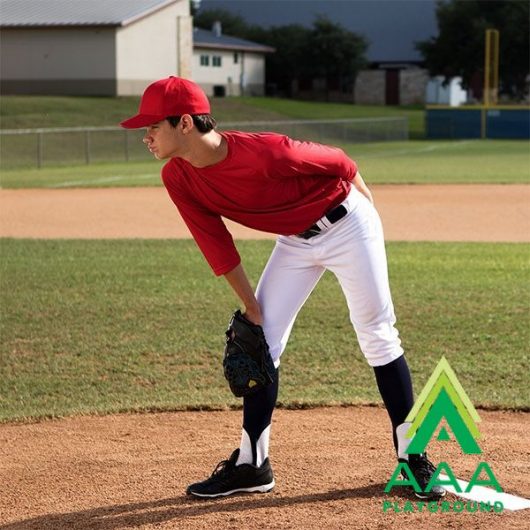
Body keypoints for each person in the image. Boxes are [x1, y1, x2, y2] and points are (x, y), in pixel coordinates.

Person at [120, 76, 444, 501]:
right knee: (259, 342)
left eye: (152, 127)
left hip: (346, 224)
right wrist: (250, 305)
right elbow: (214, 242)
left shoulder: (264, 151)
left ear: (184, 123)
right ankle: (253, 464)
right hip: (294, 240)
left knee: (377, 335)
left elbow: (341, 162)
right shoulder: (177, 177)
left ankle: (412, 459)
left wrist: (366, 216)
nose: (146, 137)